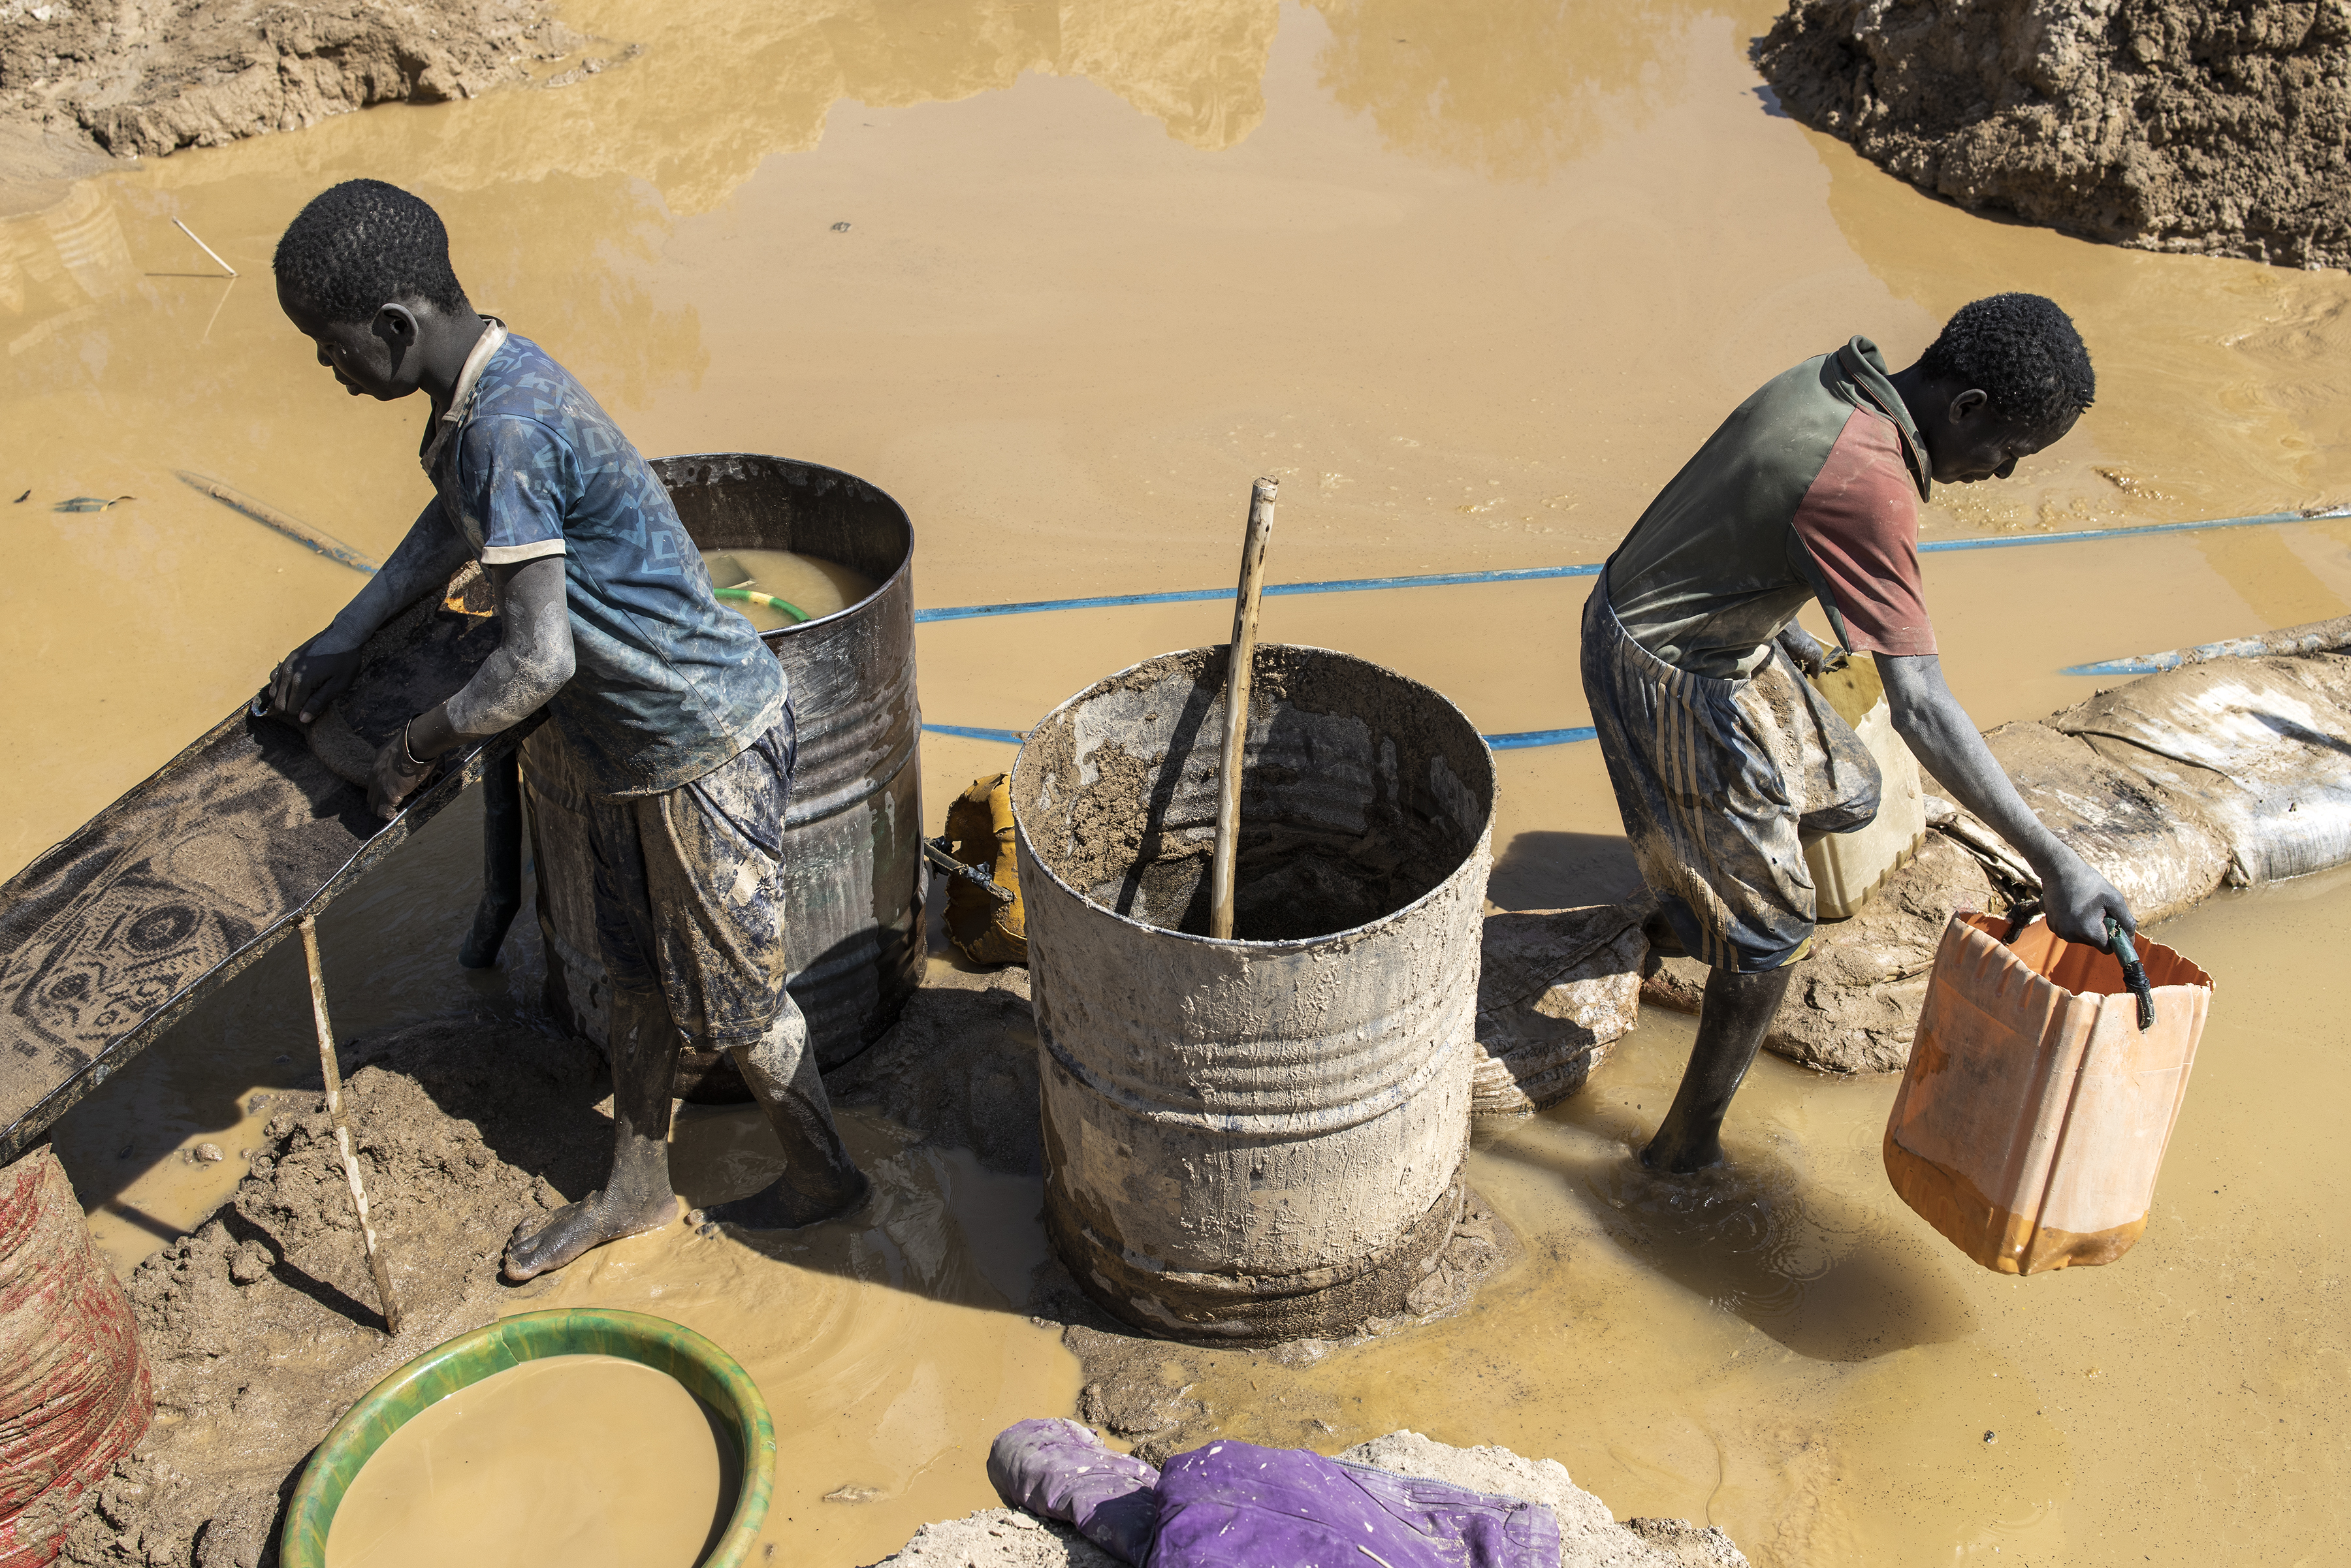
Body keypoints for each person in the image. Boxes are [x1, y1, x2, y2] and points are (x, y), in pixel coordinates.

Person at [264, 179, 869, 1279]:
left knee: (740, 1004)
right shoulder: (480, 392)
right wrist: (347, 635)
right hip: (624, 746)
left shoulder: (506, 424)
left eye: (333, 347)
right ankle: (637, 1188)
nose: (327, 367)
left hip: (701, 740)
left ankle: (828, 1180)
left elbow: (538, 661)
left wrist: (416, 744)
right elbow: (452, 529)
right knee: (633, 975)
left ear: (395, 327)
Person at [1582, 293, 2137, 1174]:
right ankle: (1683, 1152)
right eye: (2009, 453)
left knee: (1850, 793)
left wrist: (1794, 634)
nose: (2002, 475)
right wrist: (2054, 861)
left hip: (1724, 630)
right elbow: (1921, 705)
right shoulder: (1868, 485)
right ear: (1967, 408)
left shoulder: (1841, 380)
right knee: (1772, 946)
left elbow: (1749, 517)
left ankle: (1696, 899)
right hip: (1666, 662)